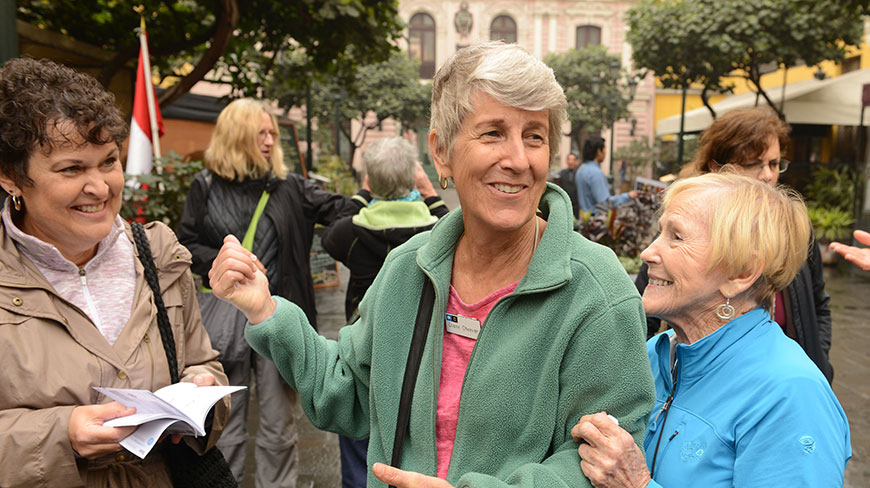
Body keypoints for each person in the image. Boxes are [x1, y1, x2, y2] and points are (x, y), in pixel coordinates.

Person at [208, 42, 655, 488]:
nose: (518, 160)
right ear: (441, 153)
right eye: (493, 133)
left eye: (534, 136)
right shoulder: (407, 270)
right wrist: (266, 311)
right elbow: (350, 393)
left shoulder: (597, 292)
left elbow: (600, 465)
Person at [0, 58, 228, 487]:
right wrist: (59, 435)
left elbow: (203, 362)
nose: (101, 188)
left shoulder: (158, 254)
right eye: (72, 169)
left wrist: (202, 393)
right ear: (12, 176)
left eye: (108, 162)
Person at [572, 172, 851, 487]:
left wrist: (636, 484)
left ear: (741, 272)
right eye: (660, 232)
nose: (648, 253)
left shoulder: (791, 395)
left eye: (677, 237)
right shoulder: (656, 353)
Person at [176, 98, 363, 487]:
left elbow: (343, 211)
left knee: (279, 427)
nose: (268, 140)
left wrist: (383, 209)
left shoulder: (289, 187)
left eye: (272, 133)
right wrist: (229, 259)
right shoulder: (205, 185)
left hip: (275, 319)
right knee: (223, 424)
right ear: (236, 135)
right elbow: (186, 242)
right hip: (223, 320)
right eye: (260, 133)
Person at [636, 107, 835, 383]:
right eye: (754, 163)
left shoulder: (793, 235)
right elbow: (640, 314)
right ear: (718, 169)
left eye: (775, 164)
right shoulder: (686, 226)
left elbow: (819, 306)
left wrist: (818, 360)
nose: (767, 175)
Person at [320, 137, 449, 488]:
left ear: (370, 181)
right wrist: (429, 192)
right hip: (418, 349)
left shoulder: (353, 232)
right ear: (413, 178)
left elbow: (332, 231)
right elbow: (454, 224)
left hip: (365, 349)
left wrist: (364, 193)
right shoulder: (435, 232)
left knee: (356, 430)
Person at [574, 135, 638, 213]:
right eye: (604, 149)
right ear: (599, 151)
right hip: (597, 221)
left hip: (585, 220)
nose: (605, 152)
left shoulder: (581, 169)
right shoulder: (595, 173)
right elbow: (605, 203)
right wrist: (628, 196)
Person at [549, 151, 581, 217]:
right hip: (565, 204)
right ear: (566, 161)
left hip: (577, 206)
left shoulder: (579, 174)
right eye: (569, 159)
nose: (571, 162)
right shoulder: (561, 173)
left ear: (576, 161)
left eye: (573, 160)